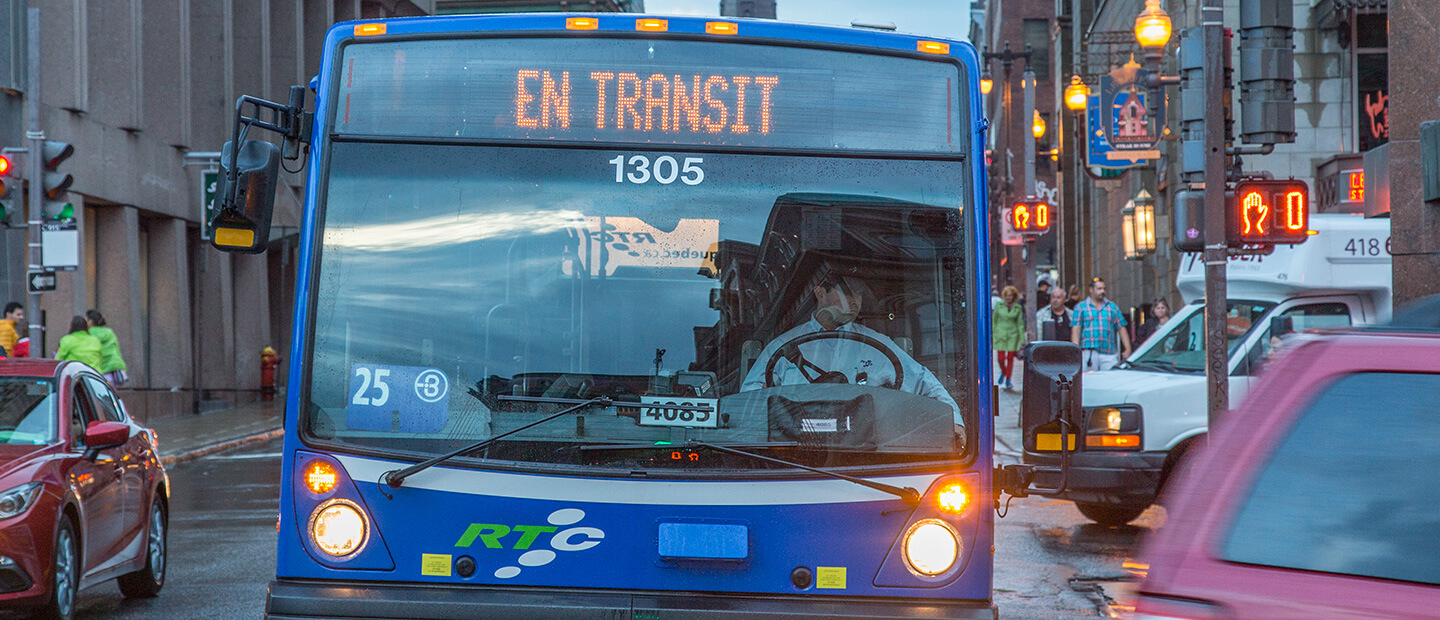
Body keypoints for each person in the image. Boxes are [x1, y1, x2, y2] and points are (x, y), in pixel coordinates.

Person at [741, 275, 963, 429]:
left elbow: (923, 381)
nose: (855, 302)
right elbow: (749, 398)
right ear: (820, 293)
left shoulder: (879, 346)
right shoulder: (782, 347)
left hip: (866, 453)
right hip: (793, 453)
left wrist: (955, 423)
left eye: (858, 296)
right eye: (846, 295)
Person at [1071, 278, 1132, 372]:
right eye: (1099, 289)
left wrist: (1128, 348)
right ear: (1091, 290)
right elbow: (1076, 330)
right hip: (1089, 352)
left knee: (1111, 380)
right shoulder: (1080, 307)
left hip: (1108, 353)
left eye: (1104, 288)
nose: (1102, 291)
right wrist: (1075, 351)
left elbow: (1121, 328)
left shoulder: (1112, 307)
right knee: (1089, 380)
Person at [992, 286, 1026, 390]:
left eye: (1010, 295)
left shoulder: (1017, 307)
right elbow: (994, 320)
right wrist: (993, 333)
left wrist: (1022, 339)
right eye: (1006, 295)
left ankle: (1008, 380)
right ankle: (1003, 372)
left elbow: (1020, 323)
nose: (1008, 297)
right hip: (1000, 334)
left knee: (1010, 358)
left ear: (1014, 296)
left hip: (1013, 335)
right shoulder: (999, 305)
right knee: (1001, 358)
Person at [86, 310, 129, 386]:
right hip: (112, 369)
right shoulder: (109, 332)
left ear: (91, 321)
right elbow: (116, 349)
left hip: (98, 371)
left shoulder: (88, 334)